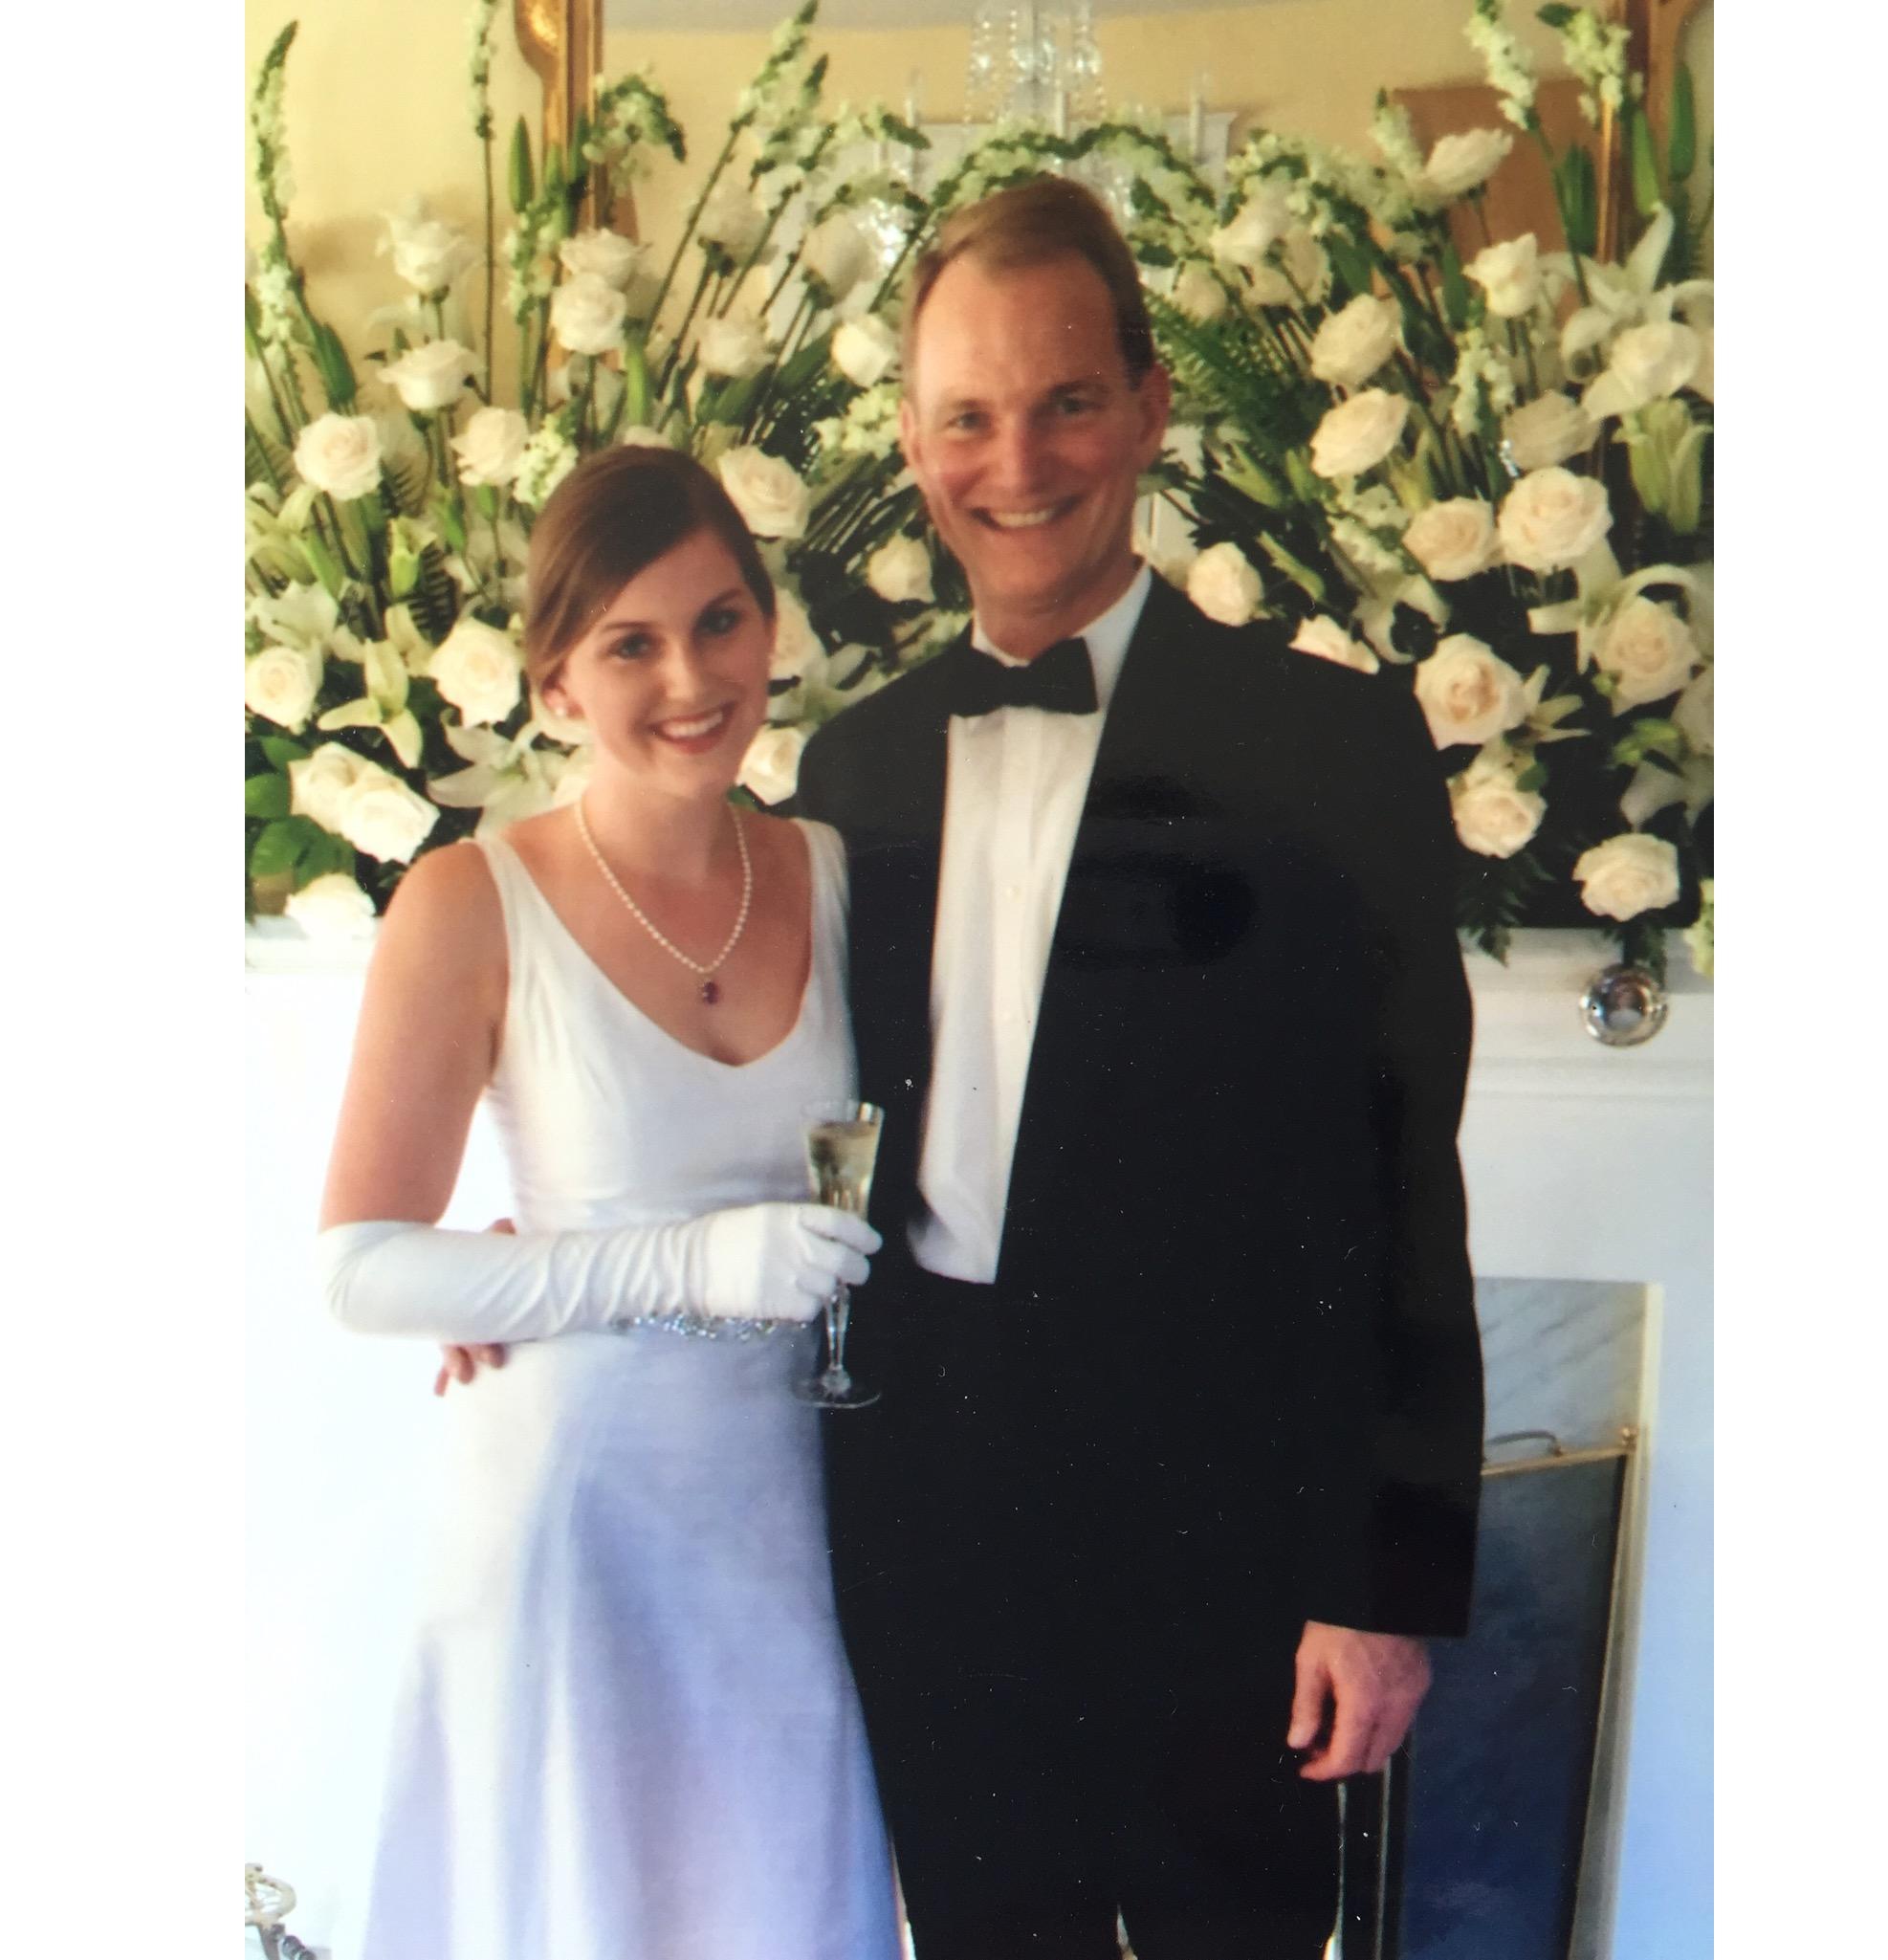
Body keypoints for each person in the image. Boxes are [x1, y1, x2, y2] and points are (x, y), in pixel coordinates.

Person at [791, 177, 1485, 1959]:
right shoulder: (850, 773)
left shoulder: (1328, 746)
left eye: (1065, 401)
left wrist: (1384, 1584)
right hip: (936, 1520)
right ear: (910, 438)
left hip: (1231, 1535)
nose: (1013, 461)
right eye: (966, 415)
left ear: (1150, 404)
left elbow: (1407, 1180)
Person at [314, 446, 902, 1960]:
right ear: (558, 684)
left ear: (771, 630)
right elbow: (365, 1268)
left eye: (718, 622)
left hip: (784, 1520)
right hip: (576, 1524)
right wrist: (680, 1262)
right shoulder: (467, 898)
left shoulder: (833, 872)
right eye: (627, 644)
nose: (689, 678)